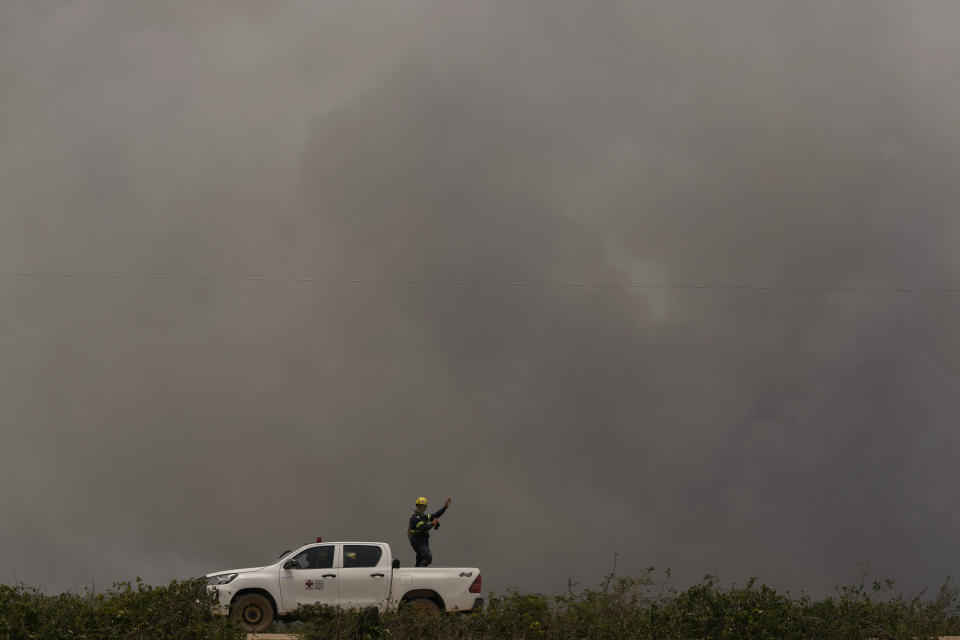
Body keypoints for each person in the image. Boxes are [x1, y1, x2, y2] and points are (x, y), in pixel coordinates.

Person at [407, 496, 451, 567]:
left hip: (423, 541)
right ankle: (420, 572)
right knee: (427, 557)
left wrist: (445, 507)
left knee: (420, 559)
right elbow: (424, 528)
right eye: (421, 506)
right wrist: (433, 523)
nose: (423, 508)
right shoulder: (415, 518)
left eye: (424, 507)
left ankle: (417, 573)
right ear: (417, 506)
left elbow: (435, 515)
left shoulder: (422, 517)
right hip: (418, 541)